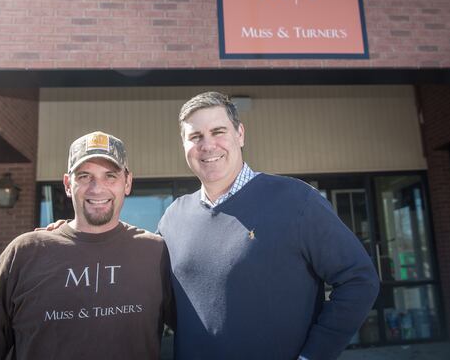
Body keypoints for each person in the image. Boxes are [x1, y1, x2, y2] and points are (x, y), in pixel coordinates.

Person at [157, 92, 380, 360]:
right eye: (195, 137)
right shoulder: (174, 217)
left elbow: (359, 279)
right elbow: (163, 300)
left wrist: (313, 356)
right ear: (184, 145)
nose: (207, 145)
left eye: (218, 132)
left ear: (240, 134)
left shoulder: (296, 200)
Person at [0, 131, 173, 360]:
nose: (97, 188)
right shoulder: (24, 254)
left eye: (110, 176)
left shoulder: (155, 254)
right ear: (67, 184)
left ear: (127, 182)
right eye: (85, 176)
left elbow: (202, 330)